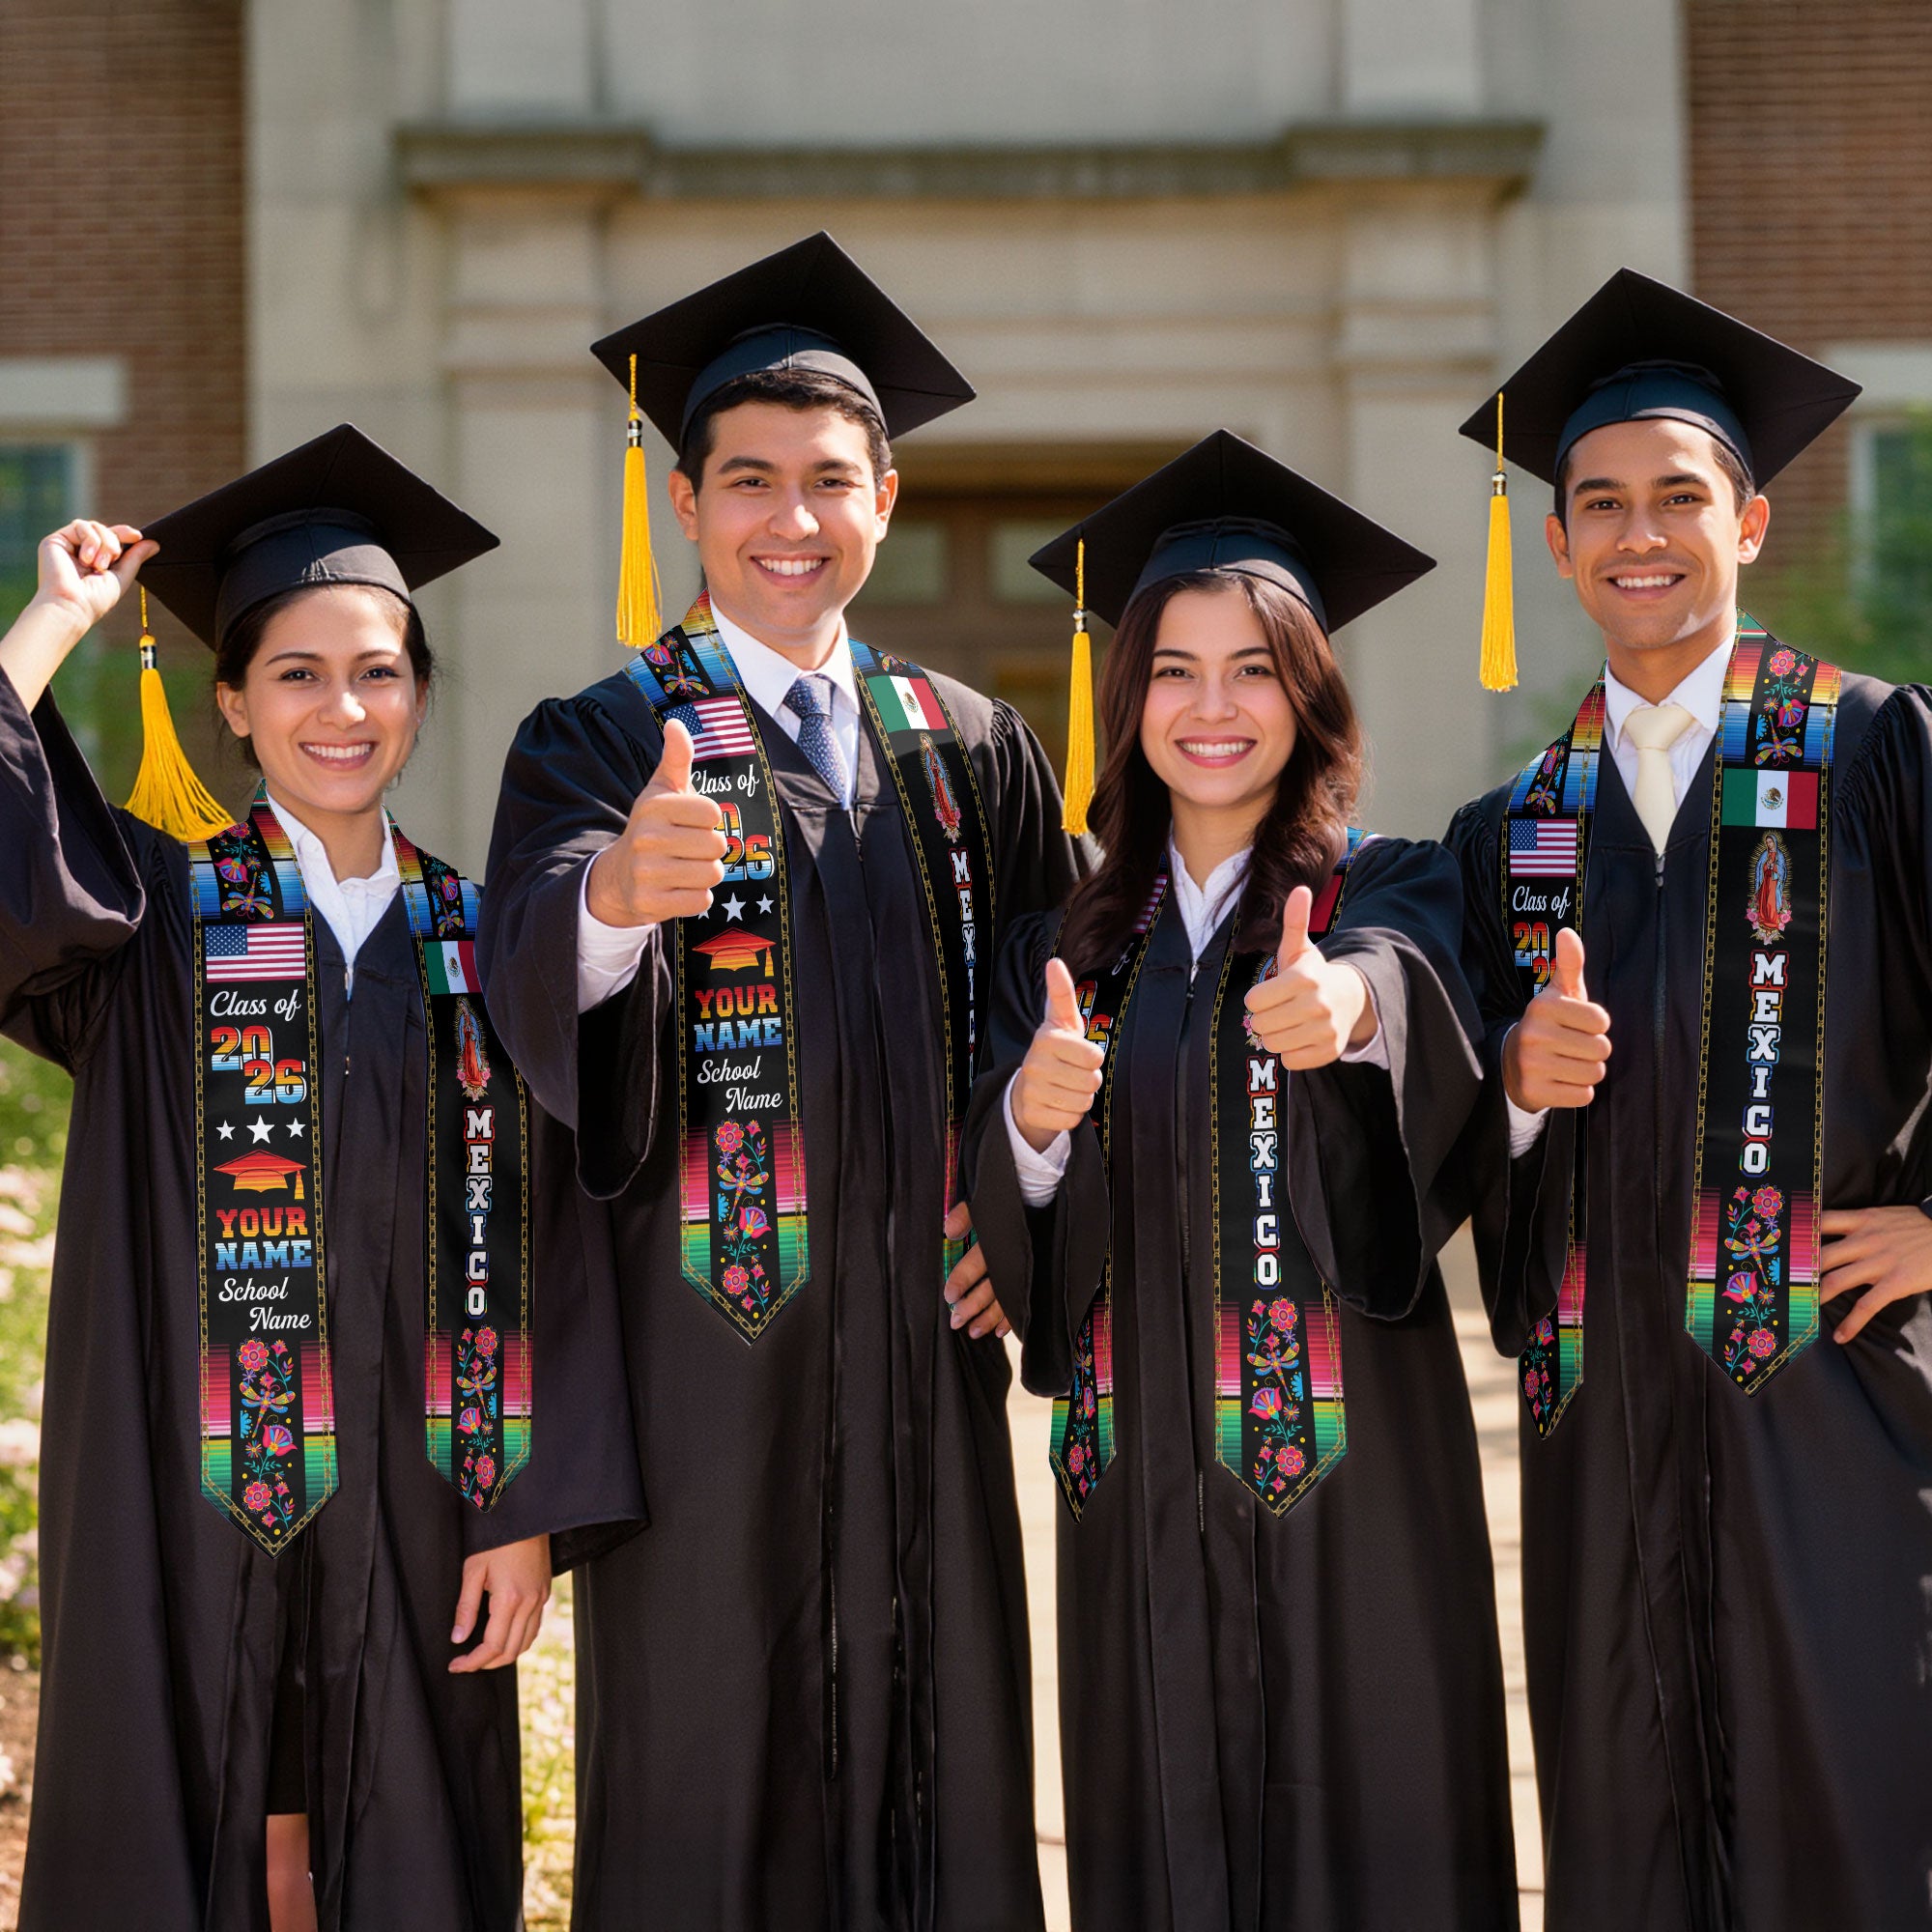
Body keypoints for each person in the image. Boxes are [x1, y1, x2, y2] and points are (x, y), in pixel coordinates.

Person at [479, 233, 1084, 1931]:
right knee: (708, 1771)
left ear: (886, 497)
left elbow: (1066, 1011)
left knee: (942, 1758)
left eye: (831, 481)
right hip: (708, 1365)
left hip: (923, 1357)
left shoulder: (969, 742)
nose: (791, 520)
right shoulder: (600, 738)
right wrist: (611, 899)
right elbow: (528, 971)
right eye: (750, 482)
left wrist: (1022, 1203)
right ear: (687, 503)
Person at [0, 425, 642, 1932]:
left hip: (428, 1499)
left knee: (408, 1832)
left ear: (420, 694)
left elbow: (561, 1239)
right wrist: (51, 623)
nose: (340, 708)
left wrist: (526, 1505)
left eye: (378, 670)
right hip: (185, 1485)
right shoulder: (154, 922)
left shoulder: (493, 943)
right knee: (191, 1804)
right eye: (295, 673)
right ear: (231, 701)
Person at [962, 432, 1518, 1931]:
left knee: (1377, 1827)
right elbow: (1015, 1216)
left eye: (1256, 668)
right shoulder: (1063, 947)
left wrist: (1349, 1012)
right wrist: (1027, 1118)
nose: (1214, 708)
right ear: (1126, 696)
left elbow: (1415, 991)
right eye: (1175, 670)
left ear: (1311, 693)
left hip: (1355, 1477)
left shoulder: (1390, 886)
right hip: (1134, 1473)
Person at [1446, 270, 1932, 1931]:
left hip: (1837, 1405)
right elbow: (1447, 1136)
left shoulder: (1873, 752)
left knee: (1855, 1811)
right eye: (1599, 504)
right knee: (1624, 1825)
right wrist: (1511, 1089)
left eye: (1678, 497)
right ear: (1562, 543)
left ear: (1751, 520)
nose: (1637, 534)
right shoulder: (1512, 827)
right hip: (1602, 1427)